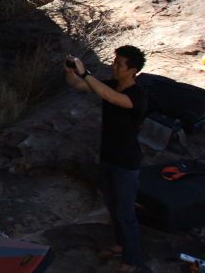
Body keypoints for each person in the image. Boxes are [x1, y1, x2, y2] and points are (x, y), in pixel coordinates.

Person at [64, 46, 148, 272]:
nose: (113, 65)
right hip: (108, 157)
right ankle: (121, 245)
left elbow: (109, 96)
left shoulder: (137, 96)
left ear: (132, 70)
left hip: (126, 163)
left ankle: (132, 260)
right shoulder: (112, 84)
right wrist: (70, 71)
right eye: (115, 61)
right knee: (113, 207)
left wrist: (86, 73)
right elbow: (78, 85)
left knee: (125, 212)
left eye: (119, 63)